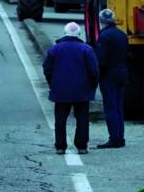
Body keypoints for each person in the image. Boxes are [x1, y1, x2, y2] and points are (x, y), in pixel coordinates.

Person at [43, 22, 99, 155]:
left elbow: (47, 69)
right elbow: (94, 71)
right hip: (82, 90)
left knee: (60, 119)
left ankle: (60, 146)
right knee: (82, 119)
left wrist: (52, 84)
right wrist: (93, 85)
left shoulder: (54, 49)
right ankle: (82, 146)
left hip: (61, 91)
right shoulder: (86, 49)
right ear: (79, 34)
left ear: (64, 33)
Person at [94, 9, 129, 149]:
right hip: (122, 71)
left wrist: (95, 75)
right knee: (119, 106)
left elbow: (100, 60)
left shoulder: (104, 36)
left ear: (101, 21)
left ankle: (114, 138)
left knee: (111, 106)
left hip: (110, 74)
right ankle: (120, 137)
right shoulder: (122, 34)